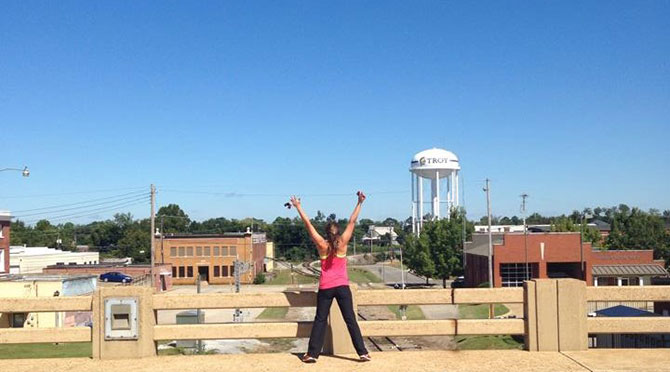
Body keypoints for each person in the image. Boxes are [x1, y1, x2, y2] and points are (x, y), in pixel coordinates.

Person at [289, 191, 371, 363]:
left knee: (320, 320)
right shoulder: (343, 243)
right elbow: (352, 221)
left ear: (326, 233)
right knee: (350, 320)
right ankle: (362, 353)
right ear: (338, 232)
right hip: (342, 287)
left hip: (326, 288)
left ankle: (312, 354)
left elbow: (308, 224)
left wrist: (298, 207)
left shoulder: (321, 244)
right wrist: (359, 203)